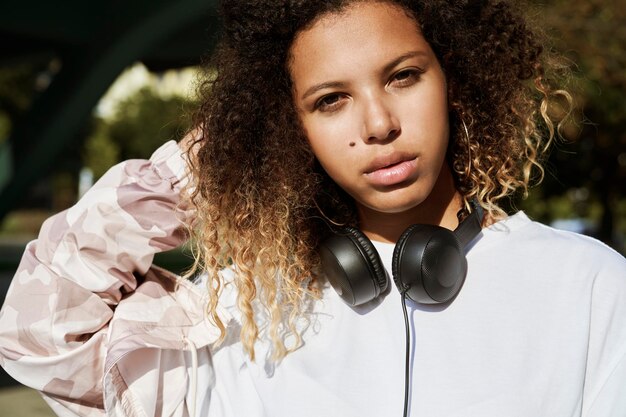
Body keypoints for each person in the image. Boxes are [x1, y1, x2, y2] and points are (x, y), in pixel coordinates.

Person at [1, 0, 625, 416]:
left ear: (455, 78)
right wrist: (207, 164)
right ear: (286, 126)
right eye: (330, 101)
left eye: (403, 76)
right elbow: (39, 336)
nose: (378, 125)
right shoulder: (235, 313)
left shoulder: (589, 287)